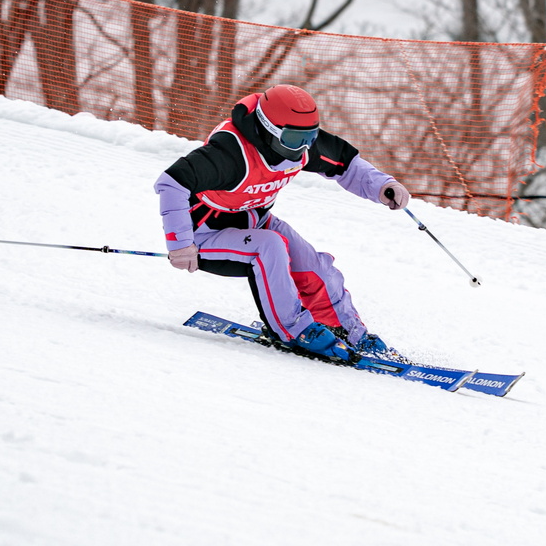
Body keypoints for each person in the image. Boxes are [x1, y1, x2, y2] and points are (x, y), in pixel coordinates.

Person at [154, 84, 410, 362]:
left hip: (255, 222)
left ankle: (346, 331)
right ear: (268, 128)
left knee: (314, 264)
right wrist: (180, 244)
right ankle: (293, 329)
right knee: (269, 246)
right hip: (204, 236)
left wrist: (383, 185)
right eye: (293, 139)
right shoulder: (231, 153)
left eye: (309, 137)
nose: (302, 147)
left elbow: (345, 164)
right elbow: (171, 182)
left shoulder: (300, 145)